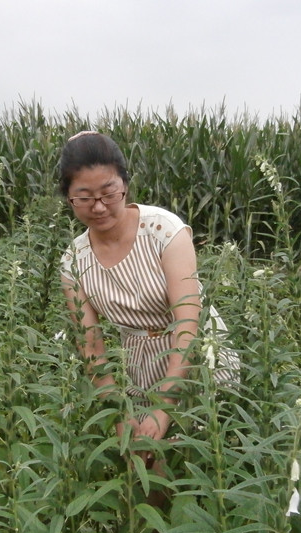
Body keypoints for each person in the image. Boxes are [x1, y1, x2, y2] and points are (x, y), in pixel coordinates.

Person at [59, 131, 238, 465]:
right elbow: (91, 346)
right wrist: (117, 409)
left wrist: (165, 404)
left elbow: (188, 320)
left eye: (108, 192)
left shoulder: (164, 231)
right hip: (138, 363)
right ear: (69, 198)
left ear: (125, 185)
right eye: (84, 197)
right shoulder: (74, 261)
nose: (99, 206)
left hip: (196, 355)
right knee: (144, 459)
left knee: (206, 457)